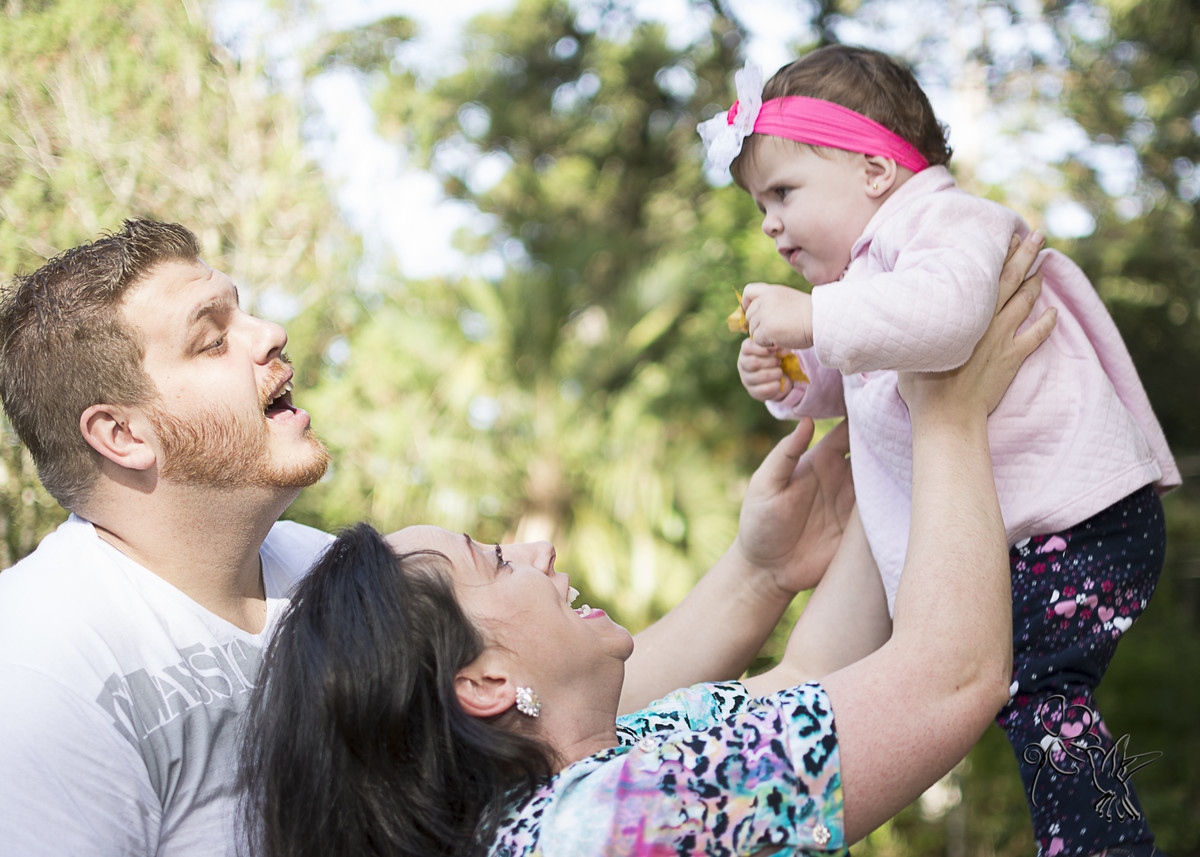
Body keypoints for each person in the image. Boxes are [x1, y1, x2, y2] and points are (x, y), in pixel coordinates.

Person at [0, 219, 853, 856]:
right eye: (212, 338)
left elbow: (545, 705)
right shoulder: (39, 666)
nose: (270, 336)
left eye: (245, 315)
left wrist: (761, 570)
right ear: (122, 435)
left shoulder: (318, 568)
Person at [238, 235, 1055, 856]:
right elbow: (948, 679)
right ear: (485, 680)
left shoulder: (616, 761)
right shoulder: (605, 822)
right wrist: (947, 408)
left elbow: (814, 680)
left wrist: (886, 449)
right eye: (493, 561)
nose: (537, 551)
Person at [697, 45, 1177, 857]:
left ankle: (1103, 844)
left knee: (1033, 691)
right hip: (1041, 532)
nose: (770, 223)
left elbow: (946, 320)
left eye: (782, 192)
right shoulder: (867, 287)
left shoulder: (950, 225)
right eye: (758, 207)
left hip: (1085, 520)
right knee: (1026, 696)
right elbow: (855, 373)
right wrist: (786, 374)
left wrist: (813, 320)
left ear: (877, 169)